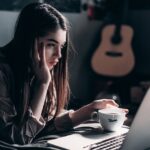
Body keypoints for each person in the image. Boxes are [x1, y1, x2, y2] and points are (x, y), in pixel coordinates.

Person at [0, 2, 128, 145]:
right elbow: (18, 140)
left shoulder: (42, 68)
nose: (59, 55)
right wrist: (43, 84)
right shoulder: (4, 72)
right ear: (28, 39)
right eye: (51, 45)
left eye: (61, 46)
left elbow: (46, 125)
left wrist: (90, 109)